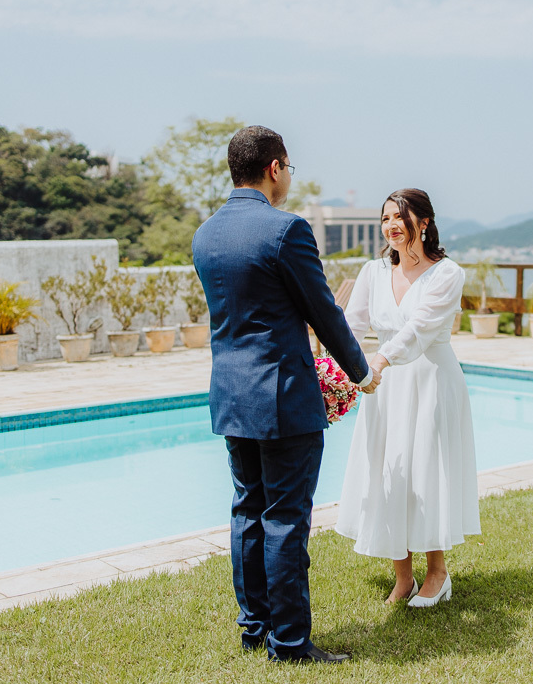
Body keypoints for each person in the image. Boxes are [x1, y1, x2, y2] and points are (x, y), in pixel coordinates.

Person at [191, 126, 381, 664]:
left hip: (230, 394)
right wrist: (360, 373)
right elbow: (323, 311)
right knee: (285, 519)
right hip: (282, 395)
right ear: (275, 168)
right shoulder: (285, 230)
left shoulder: (205, 234)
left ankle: (254, 628)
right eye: (289, 168)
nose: (289, 178)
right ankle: (292, 643)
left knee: (247, 511)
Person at [335, 188, 481, 607]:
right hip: (383, 386)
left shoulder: (447, 273)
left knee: (426, 472)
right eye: (385, 218)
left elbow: (419, 329)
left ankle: (438, 574)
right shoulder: (372, 271)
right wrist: (338, 366)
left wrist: (377, 362)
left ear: (425, 222)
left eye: (400, 217)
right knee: (388, 471)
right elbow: (352, 324)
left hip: (430, 380)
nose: (391, 225)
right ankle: (403, 577)